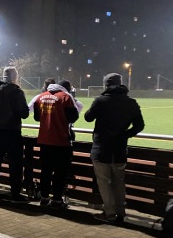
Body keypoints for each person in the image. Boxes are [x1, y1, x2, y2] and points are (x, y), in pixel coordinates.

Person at [84, 73, 144, 223]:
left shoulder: (101, 101)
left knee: (104, 181)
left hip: (101, 148)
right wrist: (126, 135)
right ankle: (121, 212)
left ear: (106, 85)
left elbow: (88, 117)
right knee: (119, 181)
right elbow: (140, 125)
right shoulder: (131, 102)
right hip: (119, 149)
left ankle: (109, 213)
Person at [33, 79, 79, 209]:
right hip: (60, 140)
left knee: (45, 171)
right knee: (59, 172)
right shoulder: (65, 97)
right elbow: (73, 117)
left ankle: (44, 197)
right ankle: (57, 200)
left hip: (44, 140)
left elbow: (37, 117)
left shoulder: (40, 97)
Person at [0, 66, 29, 203]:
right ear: (15, 77)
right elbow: (23, 113)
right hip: (12, 133)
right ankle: (15, 193)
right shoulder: (17, 92)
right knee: (15, 165)